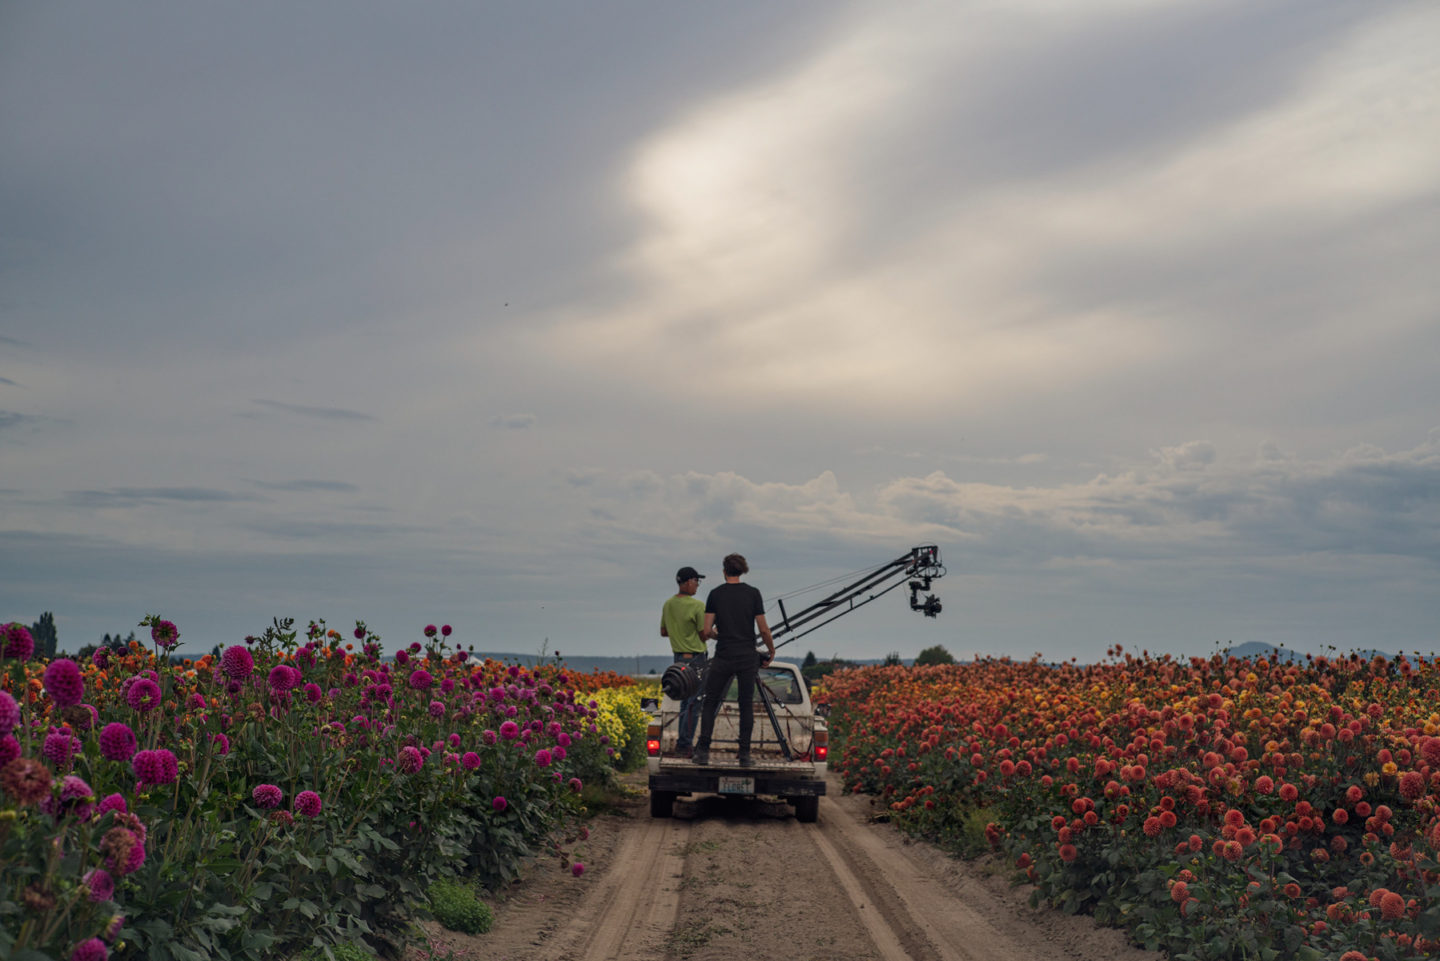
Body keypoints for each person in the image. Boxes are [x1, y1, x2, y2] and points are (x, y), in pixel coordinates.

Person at [692, 553, 775, 767]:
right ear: (743, 570)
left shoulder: (715, 595)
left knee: (710, 702)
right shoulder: (753, 594)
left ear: (724, 571)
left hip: (724, 655)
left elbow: (707, 630)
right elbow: (764, 629)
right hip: (747, 656)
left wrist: (719, 634)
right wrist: (771, 650)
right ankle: (745, 755)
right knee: (746, 704)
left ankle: (702, 752)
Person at [660, 565, 710, 756]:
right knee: (694, 703)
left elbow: (664, 632)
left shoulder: (668, 604)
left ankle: (684, 741)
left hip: (678, 659)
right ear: (688, 582)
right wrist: (714, 633)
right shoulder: (697, 605)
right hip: (696, 659)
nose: (697, 586)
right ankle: (685, 744)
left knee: (684, 702)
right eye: (697, 581)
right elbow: (703, 634)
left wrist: (679, 632)